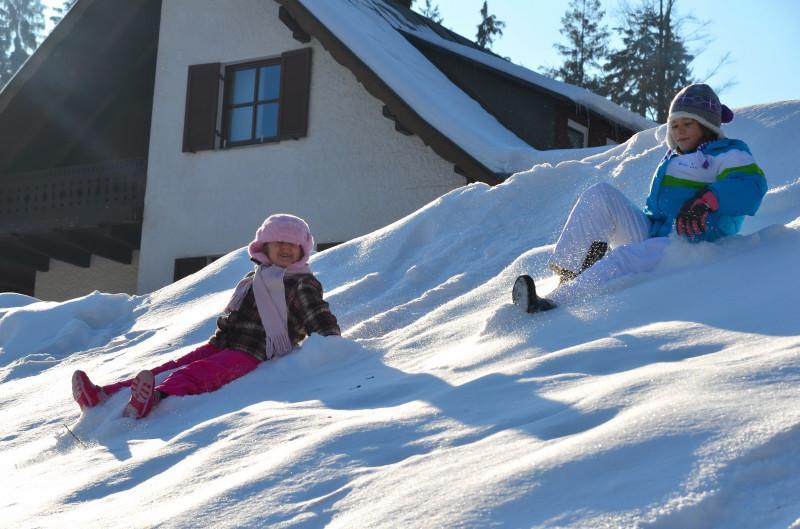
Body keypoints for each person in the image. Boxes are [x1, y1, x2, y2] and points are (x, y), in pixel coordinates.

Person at [513, 84, 767, 313]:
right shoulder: (674, 157)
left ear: (707, 125)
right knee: (600, 195)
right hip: (656, 233)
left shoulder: (727, 152)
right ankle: (569, 275)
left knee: (624, 257)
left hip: (689, 242)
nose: (679, 131)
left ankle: (556, 303)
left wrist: (708, 200)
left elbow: (752, 186)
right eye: (675, 125)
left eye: (688, 124)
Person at [72, 214, 341, 418]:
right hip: (223, 343)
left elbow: (317, 314)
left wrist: (331, 345)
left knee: (199, 372)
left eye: (292, 245)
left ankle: (155, 398)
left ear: (302, 250)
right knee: (168, 366)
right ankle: (103, 394)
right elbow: (235, 313)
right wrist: (221, 337)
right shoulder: (255, 277)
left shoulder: (301, 282)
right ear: (264, 247)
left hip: (255, 351)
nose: (285, 249)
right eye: (279, 242)